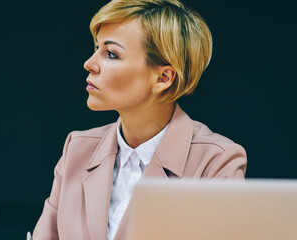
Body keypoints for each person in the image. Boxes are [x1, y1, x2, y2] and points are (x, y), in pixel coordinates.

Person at [30, 0, 247, 239]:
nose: (89, 64)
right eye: (96, 48)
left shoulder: (216, 163)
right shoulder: (77, 149)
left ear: (163, 78)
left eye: (111, 54)